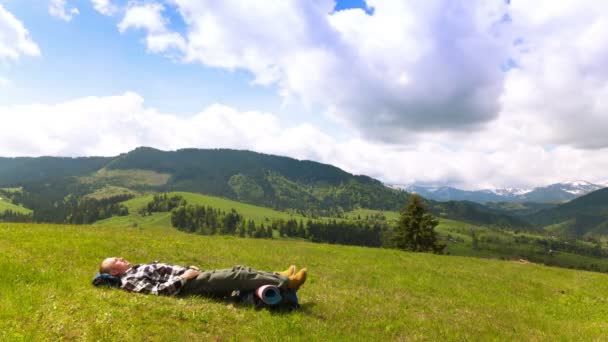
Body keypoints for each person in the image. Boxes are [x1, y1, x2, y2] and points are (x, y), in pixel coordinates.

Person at [98, 257, 307, 297]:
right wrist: (186, 277)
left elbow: (167, 271)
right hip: (187, 286)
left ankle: (277, 276)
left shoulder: (135, 269)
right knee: (239, 275)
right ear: (114, 272)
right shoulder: (128, 281)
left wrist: (188, 268)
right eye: (116, 260)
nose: (121, 258)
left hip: (192, 276)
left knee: (239, 269)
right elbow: (158, 291)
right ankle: (288, 283)